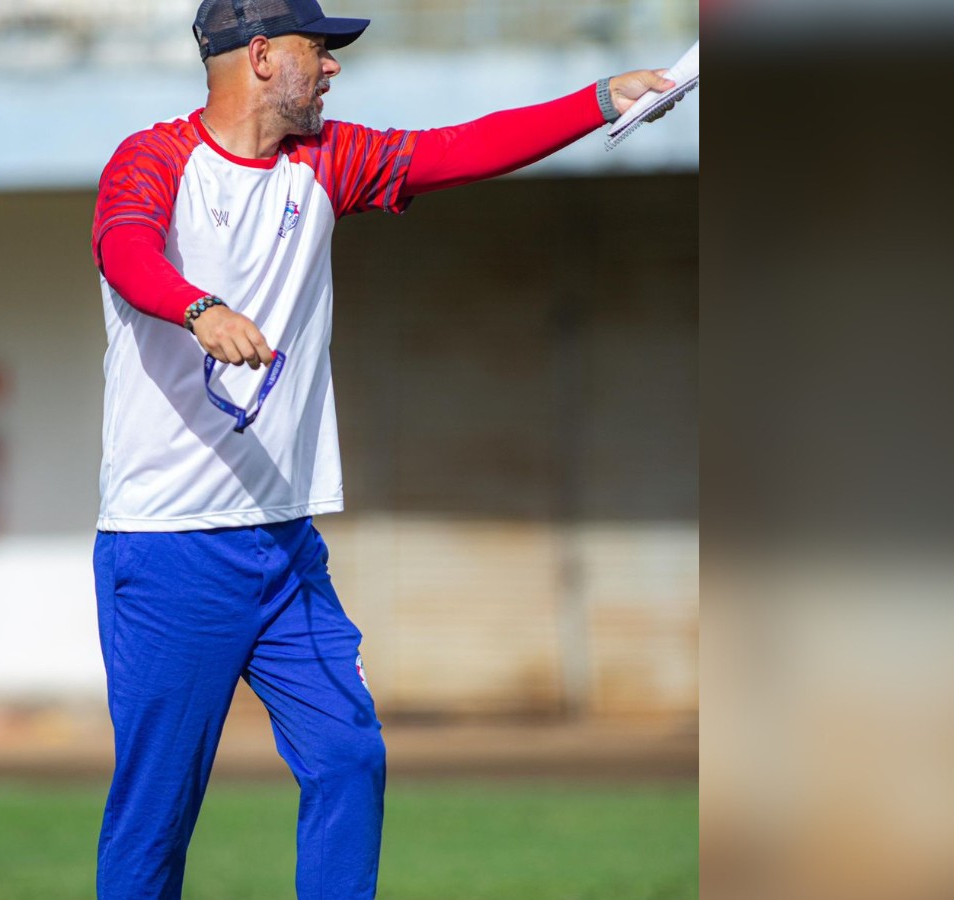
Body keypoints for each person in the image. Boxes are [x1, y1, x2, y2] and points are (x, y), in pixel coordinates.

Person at [90, 1, 674, 896]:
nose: (331, 68)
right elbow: (123, 249)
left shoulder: (325, 161)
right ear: (259, 55)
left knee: (348, 758)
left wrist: (599, 98)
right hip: (170, 550)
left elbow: (458, 150)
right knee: (157, 814)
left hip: (285, 547)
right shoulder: (153, 158)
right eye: (317, 51)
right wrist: (200, 309)